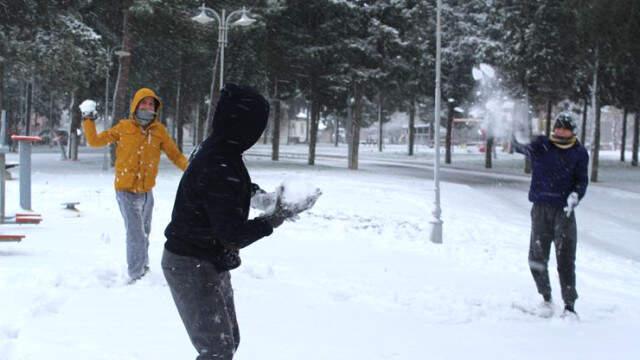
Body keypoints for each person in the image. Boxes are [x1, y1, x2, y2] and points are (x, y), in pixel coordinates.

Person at [161, 84, 302, 360]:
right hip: (190, 263)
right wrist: (273, 219)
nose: (259, 133)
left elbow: (233, 189)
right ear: (243, 123)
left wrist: (267, 199)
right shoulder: (219, 160)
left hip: (206, 259)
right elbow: (232, 235)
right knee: (217, 350)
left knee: (228, 342)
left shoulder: (221, 151)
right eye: (257, 125)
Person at [80, 88, 188, 282]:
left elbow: (175, 155)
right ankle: (136, 274)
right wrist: (88, 120)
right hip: (126, 190)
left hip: (147, 192)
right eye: (143, 103)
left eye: (151, 104)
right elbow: (95, 141)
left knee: (144, 232)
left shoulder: (159, 131)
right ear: (135, 105)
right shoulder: (123, 127)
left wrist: (191, 171)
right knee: (136, 234)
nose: (147, 107)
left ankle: (143, 267)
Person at [513, 112, 589, 316]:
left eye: (565, 128)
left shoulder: (579, 152)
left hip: (564, 211)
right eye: (558, 127)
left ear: (572, 131)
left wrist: (576, 196)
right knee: (536, 257)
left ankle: (569, 306)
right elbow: (519, 145)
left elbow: (581, 181)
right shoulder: (542, 145)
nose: (561, 131)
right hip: (540, 209)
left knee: (565, 258)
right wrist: (517, 126)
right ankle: (546, 299)